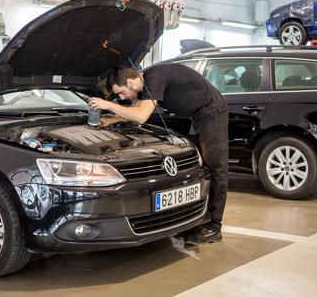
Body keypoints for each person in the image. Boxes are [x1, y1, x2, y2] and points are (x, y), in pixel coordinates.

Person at [88, 63, 229, 245]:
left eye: (121, 92)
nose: (121, 97)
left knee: (216, 167)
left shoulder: (155, 77)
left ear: (130, 82)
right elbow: (135, 110)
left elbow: (141, 116)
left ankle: (214, 227)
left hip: (212, 112)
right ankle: (199, 220)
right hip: (197, 116)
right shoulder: (146, 84)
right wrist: (111, 121)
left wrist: (106, 104)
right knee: (199, 167)